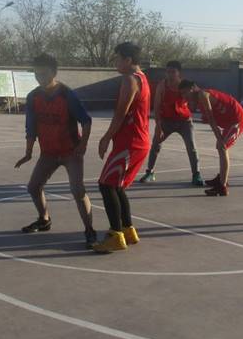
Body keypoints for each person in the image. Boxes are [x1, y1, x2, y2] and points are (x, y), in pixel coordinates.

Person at [15, 53, 97, 248]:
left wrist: (83, 145)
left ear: (54, 72)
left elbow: (86, 121)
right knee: (33, 187)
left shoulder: (67, 95)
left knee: (78, 190)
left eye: (43, 74)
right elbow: (31, 128)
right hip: (48, 153)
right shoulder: (33, 97)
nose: (40, 78)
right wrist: (28, 152)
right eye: (36, 75)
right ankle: (44, 219)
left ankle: (90, 230)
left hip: (70, 152)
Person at [92, 42, 151, 253]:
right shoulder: (142, 78)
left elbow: (121, 113)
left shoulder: (129, 80)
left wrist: (106, 138)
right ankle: (128, 230)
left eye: (117, 58)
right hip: (138, 141)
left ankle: (115, 235)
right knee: (116, 187)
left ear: (128, 60)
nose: (115, 62)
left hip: (130, 142)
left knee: (106, 185)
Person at [138, 60, 202, 186]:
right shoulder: (162, 86)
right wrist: (158, 126)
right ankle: (150, 172)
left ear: (179, 73)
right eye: (168, 72)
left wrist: (195, 97)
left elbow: (197, 97)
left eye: (173, 72)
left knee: (191, 147)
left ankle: (196, 174)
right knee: (156, 145)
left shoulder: (185, 85)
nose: (170, 75)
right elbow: (156, 106)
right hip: (166, 121)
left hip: (184, 121)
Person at [178, 81, 243, 196]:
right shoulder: (198, 99)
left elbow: (211, 118)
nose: (184, 96)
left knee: (222, 147)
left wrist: (219, 138)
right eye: (182, 94)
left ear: (193, 88)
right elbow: (211, 115)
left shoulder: (202, 95)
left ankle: (222, 187)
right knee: (220, 147)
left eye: (185, 92)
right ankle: (221, 177)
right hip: (229, 121)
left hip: (237, 120)